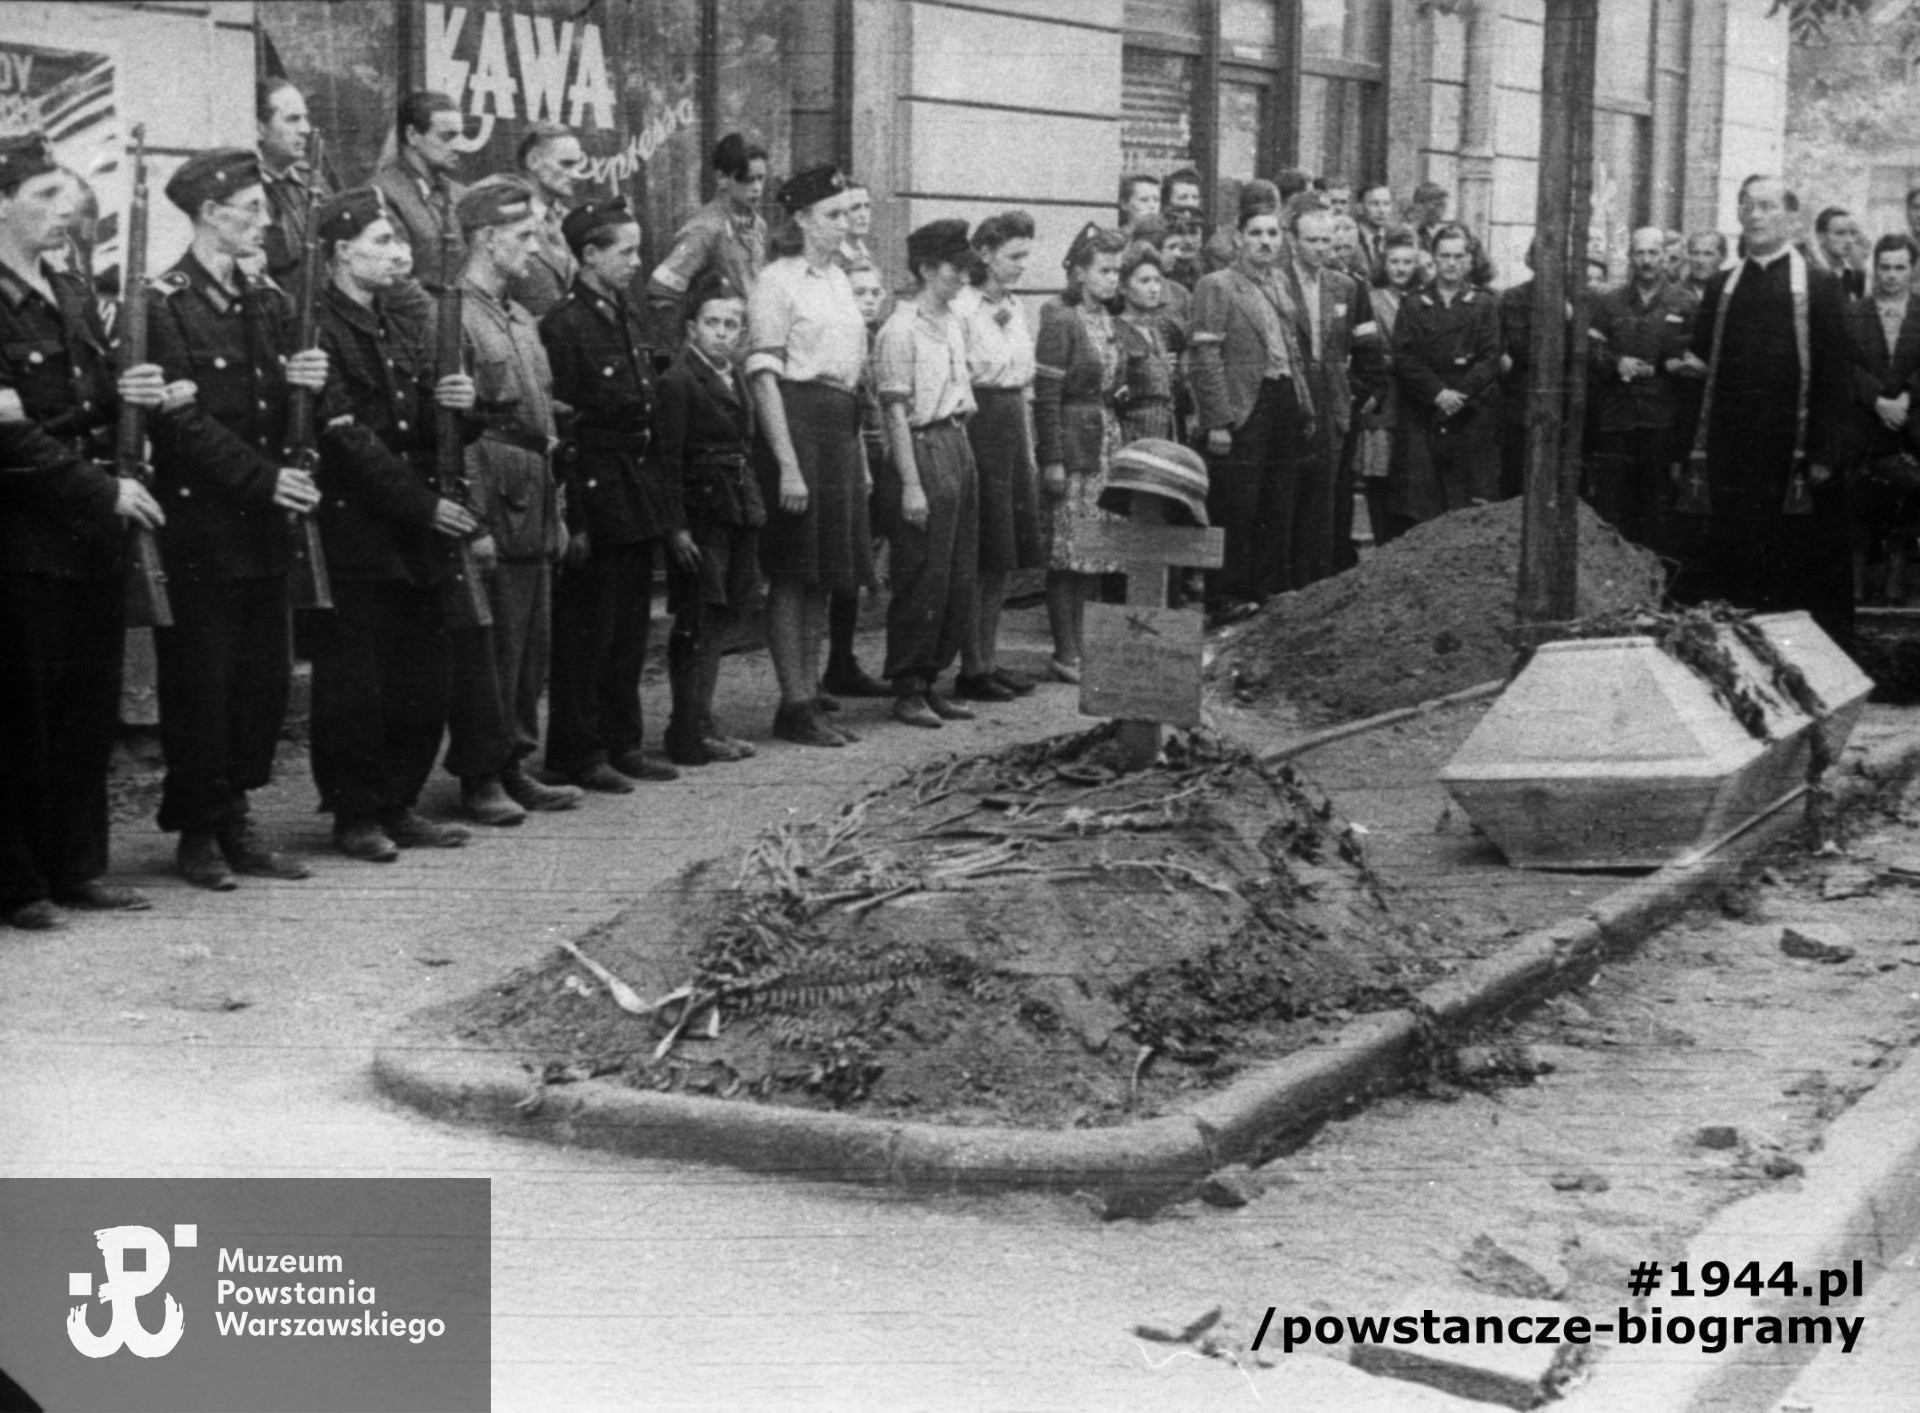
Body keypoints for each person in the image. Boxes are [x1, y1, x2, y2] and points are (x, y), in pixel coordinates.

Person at [143, 148, 329, 889]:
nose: (263, 220)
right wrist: (265, 480)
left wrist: (310, 385)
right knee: (202, 681)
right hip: (203, 525)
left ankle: (238, 813)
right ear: (208, 213)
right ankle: (197, 827)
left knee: (261, 682)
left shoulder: (271, 300)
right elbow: (179, 425)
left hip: (264, 525)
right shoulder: (163, 302)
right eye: (249, 208)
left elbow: (289, 408)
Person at [0, 132, 171, 928]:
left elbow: (86, 399)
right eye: (43, 197)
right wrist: (103, 491)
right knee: (19, 714)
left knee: (84, 709)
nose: (63, 210)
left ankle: (77, 866)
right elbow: (8, 436)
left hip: (89, 534)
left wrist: (131, 391)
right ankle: (15, 881)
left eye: (65, 195)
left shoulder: (68, 290)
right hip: (21, 534)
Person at [307, 187, 480, 862]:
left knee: (422, 675)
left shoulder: (397, 322)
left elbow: (428, 421)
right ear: (343, 252)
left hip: (414, 526)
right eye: (383, 241)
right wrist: (423, 506)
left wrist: (463, 408)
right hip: (362, 526)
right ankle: (356, 811)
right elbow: (347, 440)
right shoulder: (319, 327)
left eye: (400, 241)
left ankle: (400, 800)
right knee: (358, 681)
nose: (398, 253)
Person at [442, 176, 584, 823]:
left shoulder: (519, 315)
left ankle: (514, 762)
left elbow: (539, 413)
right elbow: (456, 433)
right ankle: (480, 775)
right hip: (492, 490)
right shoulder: (456, 316)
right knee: (490, 644)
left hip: (533, 485)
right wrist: (472, 521)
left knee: (530, 643)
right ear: (486, 238)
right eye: (523, 235)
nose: (535, 245)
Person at [541, 198, 678, 790]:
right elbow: (561, 428)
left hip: (633, 477)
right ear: (589, 254)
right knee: (587, 628)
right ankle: (578, 750)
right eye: (625, 250)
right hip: (595, 482)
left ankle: (623, 741)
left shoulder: (623, 312)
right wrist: (572, 513)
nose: (636, 261)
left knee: (627, 626)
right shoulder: (564, 324)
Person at [1677, 178, 1851, 639]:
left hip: (1789, 451)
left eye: (1767, 206)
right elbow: (1700, 369)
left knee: (1788, 562)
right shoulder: (1721, 286)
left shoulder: (1818, 285)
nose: (1754, 215)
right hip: (1728, 449)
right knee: (1730, 556)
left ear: (1792, 219)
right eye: (1746, 205)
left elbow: (1835, 373)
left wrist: (1822, 452)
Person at [746, 164, 873, 747]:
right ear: (800, 219)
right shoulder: (776, 281)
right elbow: (765, 377)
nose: (845, 224)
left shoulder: (842, 280)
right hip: (796, 424)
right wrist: (788, 463)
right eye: (833, 214)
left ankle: (811, 690)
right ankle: (792, 702)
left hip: (837, 426)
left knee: (826, 571)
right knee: (794, 573)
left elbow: (852, 375)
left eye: (849, 212)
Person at [873, 219, 982, 729]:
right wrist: (912, 483)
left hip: (957, 441)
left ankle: (933, 677)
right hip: (921, 447)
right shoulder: (901, 328)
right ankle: (909, 685)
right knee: (923, 573)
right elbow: (895, 411)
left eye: (965, 268)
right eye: (953, 268)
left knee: (958, 573)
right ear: (925, 269)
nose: (962, 277)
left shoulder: (955, 320)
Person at [1189, 189, 1315, 615]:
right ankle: (1224, 595)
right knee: (1236, 504)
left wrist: (1304, 405)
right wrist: (1218, 421)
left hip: (1281, 399)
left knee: (1276, 500)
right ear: (1238, 238)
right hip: (1244, 405)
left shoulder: (1279, 283)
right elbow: (1204, 356)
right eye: (1256, 233)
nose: (1265, 241)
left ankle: (1264, 588)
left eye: (1273, 233)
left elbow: (1291, 351)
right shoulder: (1217, 285)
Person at [656, 272, 763, 764]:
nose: (722, 333)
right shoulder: (678, 380)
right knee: (697, 617)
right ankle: (686, 729)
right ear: (692, 328)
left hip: (734, 503)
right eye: (712, 322)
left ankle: (704, 718)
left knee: (720, 616)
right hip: (701, 511)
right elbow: (667, 459)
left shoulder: (734, 376)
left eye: (732, 325)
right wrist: (675, 527)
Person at [954, 211, 1043, 702]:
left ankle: (989, 658)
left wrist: (1028, 448)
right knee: (982, 552)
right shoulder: (964, 308)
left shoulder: (1016, 307)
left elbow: (1023, 382)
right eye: (1013, 256)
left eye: (1026, 256)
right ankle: (971, 666)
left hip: (1011, 427)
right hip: (980, 428)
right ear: (985, 253)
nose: (1021, 266)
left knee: (1004, 556)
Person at [1033, 223, 1129, 679]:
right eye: (1105, 270)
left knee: (1095, 553)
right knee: (1068, 553)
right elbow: (1047, 396)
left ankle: (1088, 646)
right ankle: (1064, 652)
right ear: (1080, 274)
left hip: (1105, 440)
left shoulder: (1108, 319)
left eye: (1117, 270)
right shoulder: (1060, 318)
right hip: (1074, 446)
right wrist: (1051, 459)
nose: (1114, 279)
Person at [1283, 206, 1382, 586]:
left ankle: (1320, 580)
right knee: (1290, 492)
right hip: (1291, 400)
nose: (1320, 248)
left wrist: (1365, 392)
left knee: (1327, 498)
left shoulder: (1347, 287)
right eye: (1311, 240)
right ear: (1293, 241)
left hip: (1335, 403)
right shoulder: (1277, 282)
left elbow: (1368, 345)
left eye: (1326, 241)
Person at [1586, 225, 1699, 553]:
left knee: (1658, 502)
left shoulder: (1685, 302)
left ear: (1665, 256)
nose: (1646, 260)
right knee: (1613, 503)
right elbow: (1592, 350)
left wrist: (1667, 365)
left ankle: (1657, 583)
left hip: (1662, 417)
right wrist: (1616, 362)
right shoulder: (1609, 302)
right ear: (1630, 256)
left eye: (1653, 253)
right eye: (1640, 253)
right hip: (1617, 416)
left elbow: (1692, 354)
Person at [1392, 224, 1504, 526]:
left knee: (1470, 507)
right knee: (1425, 507)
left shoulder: (1485, 304)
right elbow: (1404, 357)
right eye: (1444, 256)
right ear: (1434, 258)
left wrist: (1459, 395)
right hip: (1425, 414)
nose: (1451, 263)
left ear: (1469, 259)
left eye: (1458, 256)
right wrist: (1438, 393)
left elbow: (1491, 357)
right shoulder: (1414, 304)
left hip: (1471, 414)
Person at [1840, 234, 1920, 604]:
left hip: (1911, 428)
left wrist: (1906, 396)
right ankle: (1855, 592)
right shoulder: (1854, 312)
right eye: (1884, 267)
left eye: (1899, 267)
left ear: (1912, 269)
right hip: (1865, 430)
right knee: (1859, 513)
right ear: (1875, 269)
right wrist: (1877, 400)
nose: (1891, 276)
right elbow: (1845, 364)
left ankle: (1896, 590)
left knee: (1906, 513)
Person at [647, 133, 768, 321]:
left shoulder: (759, 226)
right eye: (746, 179)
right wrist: (690, 336)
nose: (757, 188)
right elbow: (661, 290)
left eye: (761, 178)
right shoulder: (706, 228)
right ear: (722, 177)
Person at [1357, 229, 1423, 545]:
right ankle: (1381, 540)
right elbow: (1370, 351)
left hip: (1416, 399)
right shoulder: (1371, 299)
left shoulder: (1424, 299)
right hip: (1386, 397)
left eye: (1407, 262)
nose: (1400, 268)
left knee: (1410, 473)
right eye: (1394, 261)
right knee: (1379, 474)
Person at [371, 91, 467, 289]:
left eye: (459, 136)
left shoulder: (459, 195)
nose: (458, 146)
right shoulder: (384, 194)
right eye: (446, 136)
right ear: (413, 135)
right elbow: (395, 280)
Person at [507, 121, 585, 317]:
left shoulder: (573, 222)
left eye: (578, 164)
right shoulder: (506, 221)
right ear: (533, 161)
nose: (577, 174)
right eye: (566, 164)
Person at [256, 77, 328, 291]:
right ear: (260, 127)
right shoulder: (248, 191)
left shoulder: (313, 181)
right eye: (292, 119)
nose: (305, 129)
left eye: (305, 119)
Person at [1116, 241, 1180, 445]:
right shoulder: (1115, 330)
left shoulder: (1154, 329)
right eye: (1144, 281)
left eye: (1157, 281)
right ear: (1123, 288)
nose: (1153, 288)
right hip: (1133, 435)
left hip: (1163, 433)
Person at [1812, 207, 1866, 300]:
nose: (1849, 240)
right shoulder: (1807, 274)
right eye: (1840, 233)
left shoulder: (1856, 276)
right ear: (1821, 237)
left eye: (1853, 233)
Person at [1356, 183, 1395, 281]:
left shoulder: (1396, 238)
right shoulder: (1352, 238)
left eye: (1386, 204)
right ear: (1360, 208)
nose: (1382, 210)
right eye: (1375, 204)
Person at [1685, 230, 1728, 298]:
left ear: (1723, 256)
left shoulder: (1731, 292)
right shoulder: (1673, 295)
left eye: (1708, 254)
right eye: (1695, 253)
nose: (1700, 261)